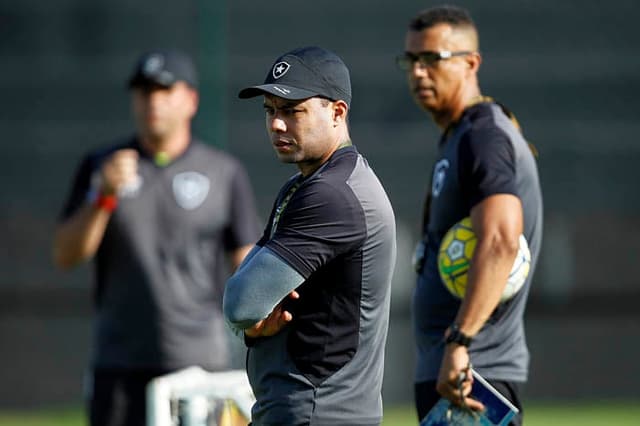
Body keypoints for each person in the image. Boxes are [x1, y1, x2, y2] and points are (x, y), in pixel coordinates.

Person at [52, 49, 261, 426]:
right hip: (119, 366)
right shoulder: (102, 165)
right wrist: (103, 196)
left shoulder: (224, 172)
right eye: (143, 91)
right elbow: (66, 255)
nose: (153, 101)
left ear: (191, 100)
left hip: (200, 369)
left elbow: (248, 267)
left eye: (165, 90)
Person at [222, 46, 397, 426]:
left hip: (319, 413)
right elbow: (250, 298)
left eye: (292, 111)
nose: (276, 125)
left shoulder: (332, 194)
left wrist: (248, 318)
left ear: (337, 112)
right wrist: (251, 321)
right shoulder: (304, 185)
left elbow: (241, 301)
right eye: (270, 111)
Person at [397, 5, 543, 425]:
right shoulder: (461, 136)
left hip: (473, 374)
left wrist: (460, 341)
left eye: (432, 59)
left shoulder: (483, 137)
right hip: (456, 370)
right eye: (411, 60)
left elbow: (500, 240)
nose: (418, 72)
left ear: (471, 63)